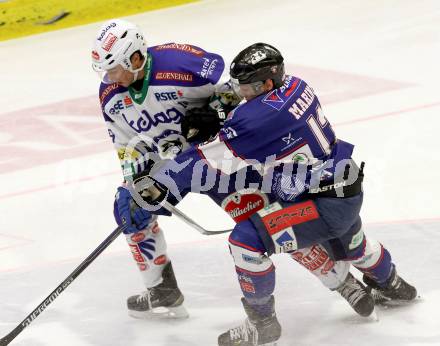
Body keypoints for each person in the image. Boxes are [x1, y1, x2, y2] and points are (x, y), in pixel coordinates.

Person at [134, 43, 418, 345]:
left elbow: (203, 160)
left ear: (267, 82)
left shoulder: (256, 119)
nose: (241, 92)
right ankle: (393, 285)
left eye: (247, 86)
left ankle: (262, 324)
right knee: (355, 244)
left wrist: (160, 182)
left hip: (318, 204)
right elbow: (252, 114)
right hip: (343, 186)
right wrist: (220, 116)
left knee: (245, 242)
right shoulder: (296, 85)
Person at [91, 18, 241, 319]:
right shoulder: (111, 96)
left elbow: (238, 89)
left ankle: (342, 265)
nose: (110, 78)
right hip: (172, 165)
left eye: (115, 69)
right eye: (105, 71)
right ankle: (162, 289)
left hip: (214, 154)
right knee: (129, 207)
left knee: (264, 217)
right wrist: (136, 184)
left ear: (135, 57)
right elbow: (126, 147)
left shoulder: (181, 64)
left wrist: (216, 110)